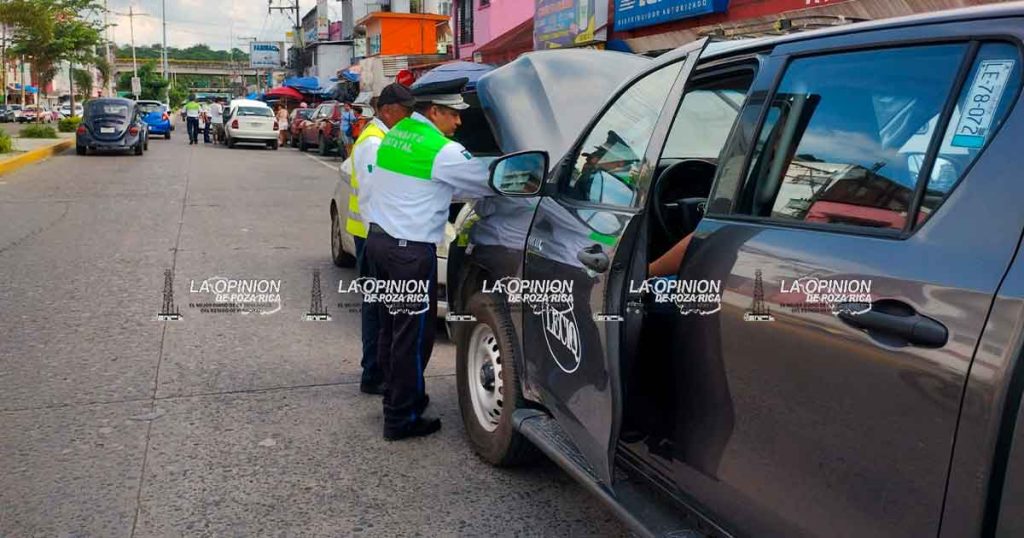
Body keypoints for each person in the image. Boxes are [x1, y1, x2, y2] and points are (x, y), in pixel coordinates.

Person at [365, 77, 494, 441]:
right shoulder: (443, 150)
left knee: (392, 331)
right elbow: (488, 182)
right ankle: (401, 419)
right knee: (412, 338)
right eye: (454, 114)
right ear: (434, 111)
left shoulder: (398, 133)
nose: (459, 123)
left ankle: (397, 398)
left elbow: (428, 184)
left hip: (380, 244)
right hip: (408, 253)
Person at [344, 83, 415, 397]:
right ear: (387, 110)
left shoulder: (383, 138)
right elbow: (374, 194)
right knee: (375, 308)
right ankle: (372, 373)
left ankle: (376, 370)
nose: (408, 118)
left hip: (374, 236)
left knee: (381, 306)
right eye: (404, 112)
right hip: (372, 236)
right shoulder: (374, 143)